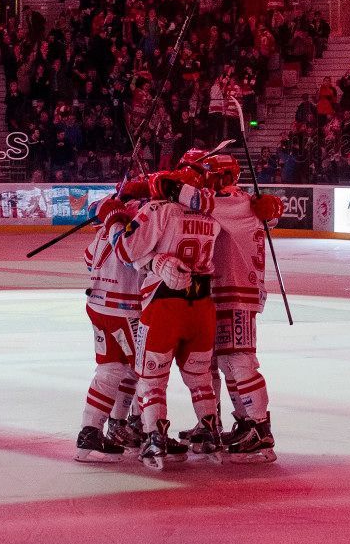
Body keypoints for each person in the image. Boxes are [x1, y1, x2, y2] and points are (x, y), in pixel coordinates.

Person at [114, 168, 221, 470]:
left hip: (163, 304)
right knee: (200, 378)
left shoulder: (158, 210)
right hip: (201, 303)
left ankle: (153, 436)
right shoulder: (212, 216)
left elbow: (125, 249)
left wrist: (116, 220)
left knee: (152, 379)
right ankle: (209, 429)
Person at [184, 151, 283, 462]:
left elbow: (197, 201)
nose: (202, 177)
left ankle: (259, 428)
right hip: (221, 290)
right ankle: (222, 423)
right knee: (214, 361)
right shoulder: (240, 200)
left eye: (206, 172)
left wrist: (162, 185)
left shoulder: (231, 200)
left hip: (236, 291)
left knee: (239, 361)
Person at [74, 192, 143, 463]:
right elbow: (137, 256)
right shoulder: (129, 229)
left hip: (99, 306)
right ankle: (146, 430)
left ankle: (90, 432)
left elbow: (89, 259)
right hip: (124, 310)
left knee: (111, 369)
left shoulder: (102, 233)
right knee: (145, 370)